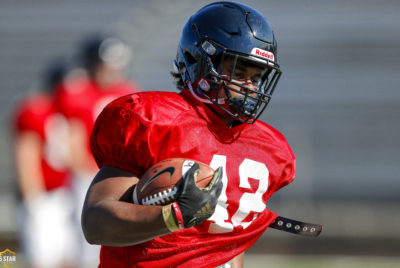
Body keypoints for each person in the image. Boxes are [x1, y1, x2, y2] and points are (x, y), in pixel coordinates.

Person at [81, 2, 295, 267]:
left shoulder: (267, 148)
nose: (250, 86)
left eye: (257, 76)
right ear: (200, 63)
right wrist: (171, 217)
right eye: (239, 72)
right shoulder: (153, 121)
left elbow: (230, 244)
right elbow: (95, 222)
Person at [56, 35, 141, 267]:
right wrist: (85, 172)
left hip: (117, 173)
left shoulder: (128, 90)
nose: (111, 70)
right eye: (105, 64)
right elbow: (73, 138)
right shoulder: (77, 91)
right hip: (88, 172)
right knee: (82, 238)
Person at [13, 61, 77, 268]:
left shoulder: (67, 115)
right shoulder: (37, 110)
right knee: (42, 259)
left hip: (64, 194)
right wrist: (33, 197)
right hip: (43, 196)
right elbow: (26, 156)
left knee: (68, 257)